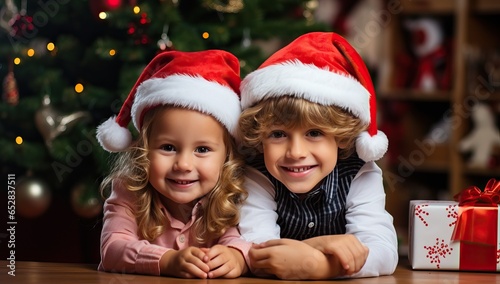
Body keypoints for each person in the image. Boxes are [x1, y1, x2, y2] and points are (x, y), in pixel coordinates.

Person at [237, 32, 398, 280]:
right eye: (278, 134)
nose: (296, 152)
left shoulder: (359, 172)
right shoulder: (257, 174)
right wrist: (321, 246)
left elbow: (384, 251)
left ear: (340, 137)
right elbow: (258, 251)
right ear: (261, 138)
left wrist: (321, 267)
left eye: (314, 133)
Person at [95, 50, 251, 279]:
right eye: (168, 148)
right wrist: (166, 260)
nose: (184, 164)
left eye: (202, 149)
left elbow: (240, 240)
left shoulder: (226, 193)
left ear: (227, 158)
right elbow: (112, 249)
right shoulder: (129, 191)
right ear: (144, 150)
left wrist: (236, 256)